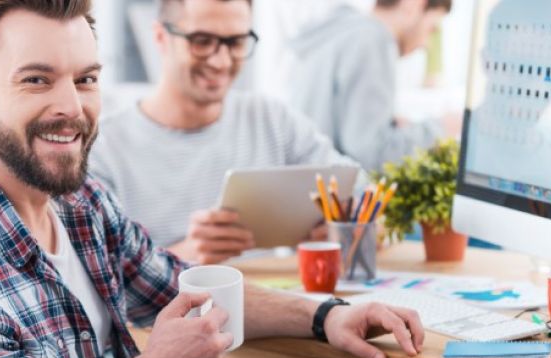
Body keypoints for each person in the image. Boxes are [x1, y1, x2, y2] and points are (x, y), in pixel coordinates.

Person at [0, 1, 423, 358]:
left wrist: (326, 316)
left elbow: (185, 287)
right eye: (37, 80)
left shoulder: (80, 204)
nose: (72, 106)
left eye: (85, 79)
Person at [89, 0, 357, 265]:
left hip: (278, 297)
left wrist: (342, 224)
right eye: (202, 41)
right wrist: (183, 256)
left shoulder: (271, 119)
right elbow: (102, 277)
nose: (221, 61)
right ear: (161, 38)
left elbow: (358, 189)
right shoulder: (104, 149)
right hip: (181, 304)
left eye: (235, 42)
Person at [287, 0, 456, 173]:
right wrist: (442, 128)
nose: (426, 44)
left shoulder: (339, 31)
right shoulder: (372, 38)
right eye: (432, 29)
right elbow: (373, 154)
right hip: (331, 193)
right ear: (413, 5)